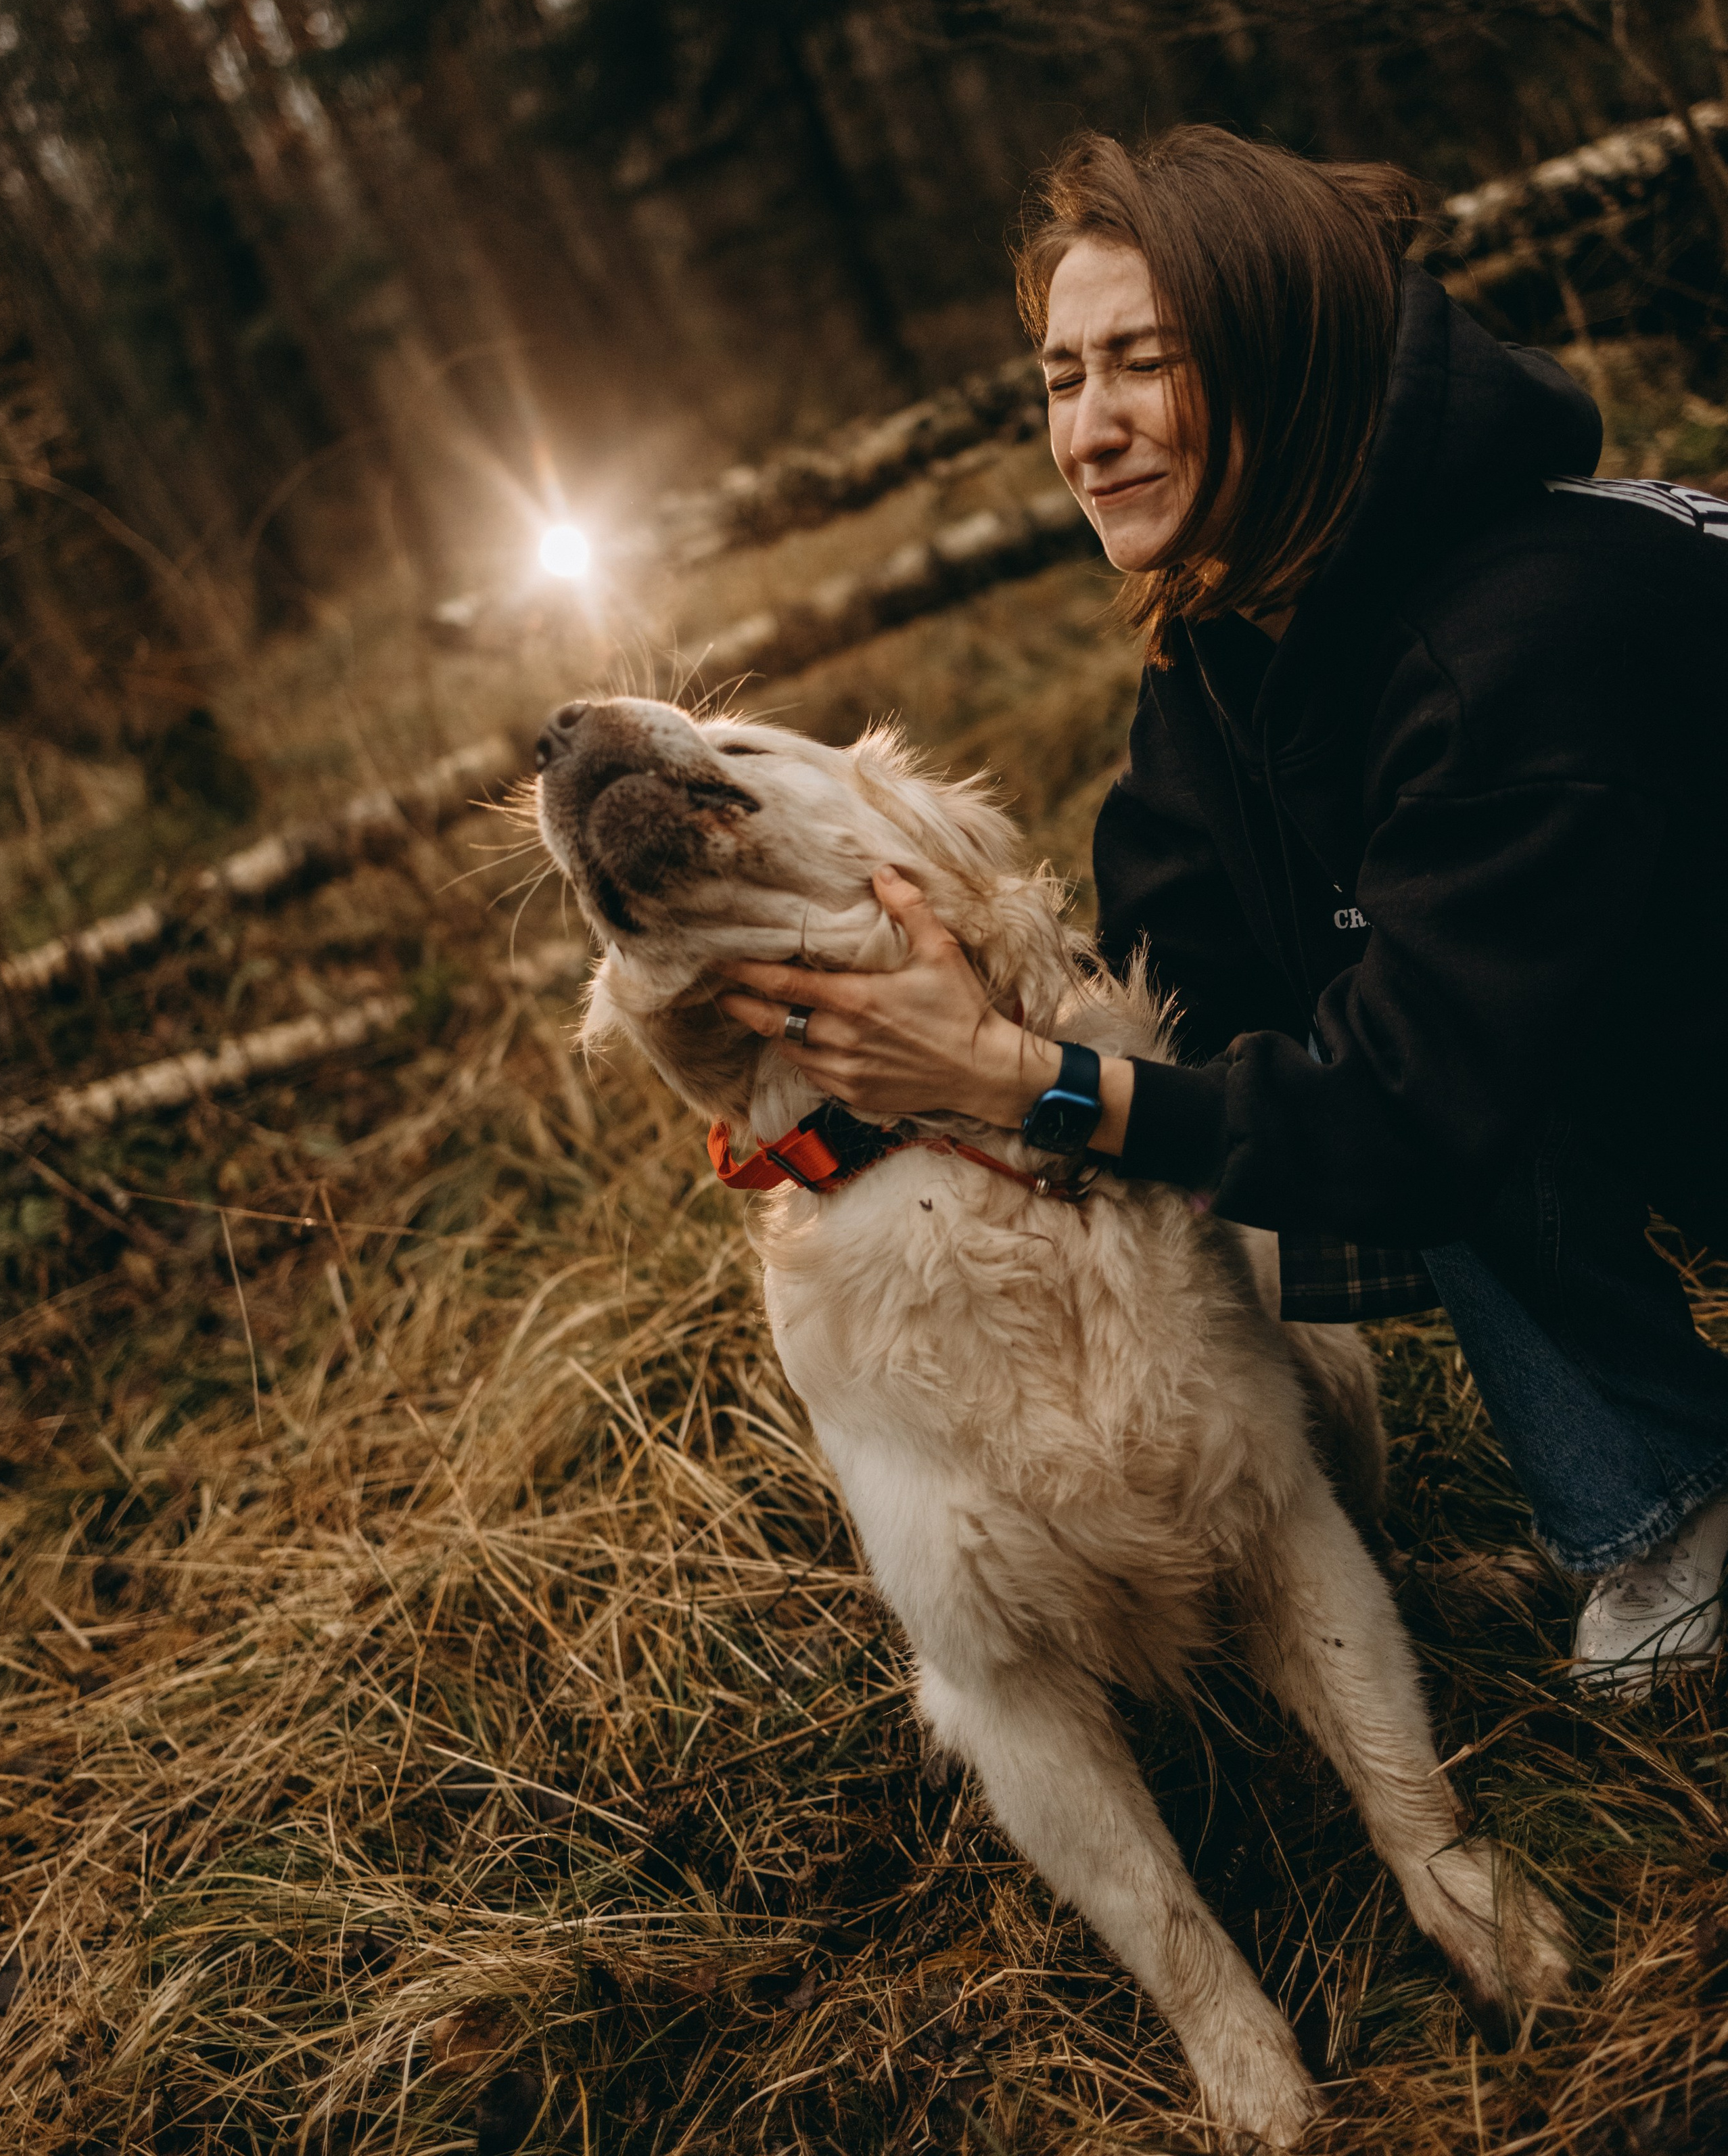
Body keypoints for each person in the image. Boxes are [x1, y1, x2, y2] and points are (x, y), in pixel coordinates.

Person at [718, 123, 1728, 1703]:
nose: (1091, 430)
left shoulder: (1519, 640)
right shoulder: (1240, 633)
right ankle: (1645, 1470)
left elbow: (1401, 1110)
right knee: (1318, 1043)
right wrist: (893, 992)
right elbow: (1168, 979)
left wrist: (1006, 1081)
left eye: (1144, 365)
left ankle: (1666, 1518)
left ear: (1284, 363)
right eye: (1061, 377)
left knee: (1382, 1062)